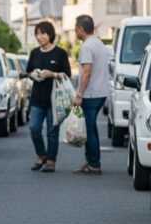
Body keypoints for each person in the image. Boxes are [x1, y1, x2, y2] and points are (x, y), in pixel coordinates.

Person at [25, 21, 71, 173]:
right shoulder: (34, 53)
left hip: (55, 99)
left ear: (50, 34)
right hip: (37, 98)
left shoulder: (60, 53)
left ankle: (51, 160)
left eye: (42, 33)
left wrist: (53, 74)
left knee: (52, 131)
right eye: (37, 34)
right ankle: (41, 155)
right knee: (34, 128)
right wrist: (34, 75)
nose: (39, 37)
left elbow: (67, 74)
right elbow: (29, 72)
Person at [71, 14, 111, 175]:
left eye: (75, 29)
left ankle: (93, 163)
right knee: (91, 128)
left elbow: (86, 72)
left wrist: (79, 94)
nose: (75, 32)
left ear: (81, 29)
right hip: (101, 92)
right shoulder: (99, 43)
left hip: (91, 94)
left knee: (89, 129)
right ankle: (91, 162)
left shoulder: (87, 46)